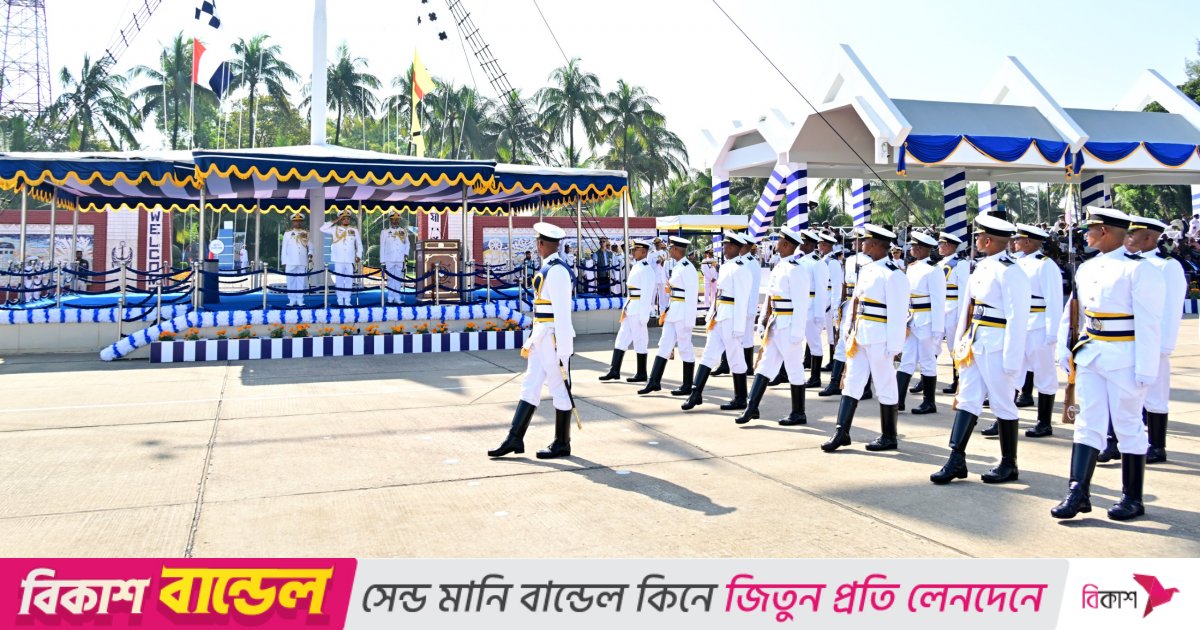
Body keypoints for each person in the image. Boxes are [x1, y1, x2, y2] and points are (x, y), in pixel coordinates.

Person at [1051, 207, 1163, 520]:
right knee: (1087, 422)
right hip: (1091, 353)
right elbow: (1073, 312)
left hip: (1125, 356)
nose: (1085, 233)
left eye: (1091, 228)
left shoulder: (1140, 269)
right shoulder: (1086, 269)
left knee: (1128, 424)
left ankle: (1132, 497)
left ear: (1106, 231)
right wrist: (1065, 346)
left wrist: (1146, 368)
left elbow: (1150, 323)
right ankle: (1078, 491)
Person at [930, 215, 1030, 485]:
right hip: (976, 341)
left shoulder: (1011, 271)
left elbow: (1018, 318)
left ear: (988, 240)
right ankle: (956, 458)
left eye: (979, 236)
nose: (975, 240)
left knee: (1002, 402)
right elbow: (968, 307)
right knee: (968, 398)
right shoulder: (982, 266)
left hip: (998, 345)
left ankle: (1009, 463)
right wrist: (962, 339)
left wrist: (1012, 360)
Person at [488, 222, 577, 460]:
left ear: (541, 244)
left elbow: (562, 312)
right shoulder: (549, 266)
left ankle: (562, 442)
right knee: (531, 383)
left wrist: (564, 349)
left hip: (553, 338)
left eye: (538, 241)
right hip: (541, 334)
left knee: (559, 387)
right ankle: (515, 438)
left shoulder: (557, 270)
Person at [820, 224, 908, 452]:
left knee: (885, 384)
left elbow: (898, 313)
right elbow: (856, 303)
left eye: (867, 240)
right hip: (860, 335)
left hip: (880, 337)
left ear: (877, 244)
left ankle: (889, 436)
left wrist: (895, 346)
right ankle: (842, 432)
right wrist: (847, 329)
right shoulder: (867, 269)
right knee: (851, 382)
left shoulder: (893, 273)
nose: (862, 244)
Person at [1124, 216, 1185, 464]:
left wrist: (1163, 346)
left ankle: (1157, 445)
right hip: (1126, 339)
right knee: (1128, 394)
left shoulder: (1167, 266)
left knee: (1155, 395)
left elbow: (1171, 309)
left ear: (1149, 238)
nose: (1127, 239)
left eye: (1133, 235)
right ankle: (1123, 442)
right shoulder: (1127, 264)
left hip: (1154, 342)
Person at [735, 226, 812, 425]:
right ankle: (751, 408)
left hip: (789, 325)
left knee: (794, 368)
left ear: (786, 244)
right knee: (764, 365)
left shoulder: (797, 269)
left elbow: (802, 304)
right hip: (776, 323)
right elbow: (770, 297)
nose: (776, 243)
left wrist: (798, 331)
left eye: (778, 240)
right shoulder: (779, 266)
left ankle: (798, 412)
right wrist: (763, 319)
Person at [682, 232, 752, 411]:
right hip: (720, 315)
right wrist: (711, 314)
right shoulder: (727, 266)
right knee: (708, 354)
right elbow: (718, 294)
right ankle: (696, 394)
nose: (724, 248)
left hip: (731, 318)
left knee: (736, 358)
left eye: (728, 246)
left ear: (737, 248)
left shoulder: (741, 268)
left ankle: (741, 398)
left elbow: (743, 299)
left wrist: (739, 327)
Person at [1009, 224, 1063, 438]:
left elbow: (1054, 300)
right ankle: (1006, 418)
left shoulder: (1045, 265)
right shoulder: (1016, 262)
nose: (1015, 243)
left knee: (1045, 375)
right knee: (1013, 372)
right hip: (1019, 325)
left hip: (1038, 325)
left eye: (1018, 239)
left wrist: (1052, 332)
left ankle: (1044, 422)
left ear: (1029, 242)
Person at [639, 236, 699, 396]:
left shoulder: (687, 268)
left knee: (685, 347)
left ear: (677, 250)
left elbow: (692, 297)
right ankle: (654, 382)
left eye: (671, 248)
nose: (669, 250)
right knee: (664, 344)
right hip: (674, 311)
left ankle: (687, 385)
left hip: (683, 314)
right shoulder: (680, 266)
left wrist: (690, 320)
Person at [895, 232, 946, 414]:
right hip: (912, 319)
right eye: (912, 246)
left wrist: (938, 329)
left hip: (927, 321)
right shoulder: (912, 266)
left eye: (916, 246)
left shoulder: (934, 270)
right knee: (906, 360)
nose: (913, 249)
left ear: (925, 249)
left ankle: (929, 402)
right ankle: (898, 400)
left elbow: (939, 301)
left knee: (927, 362)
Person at [599, 239, 654, 383]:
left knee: (640, 340)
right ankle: (614, 370)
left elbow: (648, 294)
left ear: (644, 252)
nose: (633, 251)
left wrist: (644, 315)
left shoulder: (646, 268)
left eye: (636, 249)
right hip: (631, 307)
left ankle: (642, 373)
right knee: (621, 339)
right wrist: (626, 307)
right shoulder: (637, 266)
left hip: (638, 310)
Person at [937, 233, 969, 393]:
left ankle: (958, 380)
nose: (939, 247)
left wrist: (961, 315)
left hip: (953, 309)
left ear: (950, 246)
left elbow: (963, 291)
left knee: (953, 347)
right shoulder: (939, 263)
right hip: (940, 309)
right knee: (933, 346)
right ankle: (926, 377)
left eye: (942, 244)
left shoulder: (960, 264)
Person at [797, 230, 829, 388]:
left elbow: (822, 291)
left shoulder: (818, 263)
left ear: (809, 244)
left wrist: (819, 315)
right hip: (801, 306)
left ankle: (815, 377)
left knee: (815, 343)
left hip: (811, 308)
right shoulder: (802, 260)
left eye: (803, 242)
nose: (801, 244)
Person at [320, 209, 363, 306]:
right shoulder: (334, 229)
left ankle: (347, 300)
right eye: (343, 218)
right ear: (340, 219)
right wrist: (334, 221)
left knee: (349, 280)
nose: (346, 220)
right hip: (338, 259)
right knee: (339, 280)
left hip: (349, 259)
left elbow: (359, 245)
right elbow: (322, 229)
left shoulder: (354, 230)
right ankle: (340, 299)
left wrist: (359, 255)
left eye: (348, 218)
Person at [738, 234, 763, 384]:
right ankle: (744, 365)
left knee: (746, 337)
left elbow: (748, 288)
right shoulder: (746, 262)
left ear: (745, 246)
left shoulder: (748, 263)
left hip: (746, 306)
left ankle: (748, 366)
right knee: (743, 338)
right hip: (745, 305)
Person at [819, 230, 843, 370]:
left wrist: (834, 307)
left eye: (821, 244)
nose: (819, 247)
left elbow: (836, 285)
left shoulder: (833, 262)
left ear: (826, 246)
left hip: (830, 299)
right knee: (829, 333)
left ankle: (834, 360)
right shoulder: (824, 260)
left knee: (833, 333)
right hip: (824, 299)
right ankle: (831, 359)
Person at [379, 212, 410, 305]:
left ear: (399, 220)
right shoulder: (384, 232)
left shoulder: (403, 231)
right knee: (390, 279)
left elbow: (407, 244)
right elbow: (382, 246)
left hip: (400, 258)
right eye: (393, 219)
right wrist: (382, 261)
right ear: (390, 220)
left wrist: (406, 254)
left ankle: (397, 297)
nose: (395, 221)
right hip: (389, 258)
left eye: (397, 219)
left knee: (398, 278)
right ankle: (390, 297)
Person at [280, 213, 311, 307]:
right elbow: (284, 248)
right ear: (292, 222)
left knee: (301, 281)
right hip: (290, 261)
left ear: (301, 222)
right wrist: (284, 261)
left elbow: (311, 246)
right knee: (291, 281)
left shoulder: (305, 233)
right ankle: (292, 300)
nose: (297, 223)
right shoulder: (287, 233)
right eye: (295, 221)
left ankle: (300, 300)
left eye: (299, 221)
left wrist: (310, 254)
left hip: (302, 261)